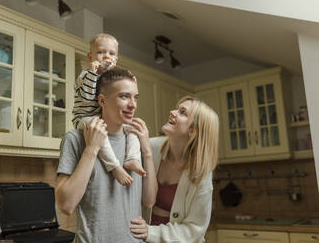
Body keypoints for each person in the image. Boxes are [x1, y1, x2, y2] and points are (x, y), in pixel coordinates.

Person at [56, 69, 157, 243]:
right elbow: (66, 205)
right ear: (102, 100)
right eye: (124, 96)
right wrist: (92, 149)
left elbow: (149, 202)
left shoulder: (135, 142)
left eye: (135, 97)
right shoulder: (75, 139)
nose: (133, 105)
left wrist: (147, 152)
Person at [130, 96, 219, 243]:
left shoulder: (202, 173)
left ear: (193, 130)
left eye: (182, 112)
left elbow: (194, 229)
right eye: (177, 109)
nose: (172, 112)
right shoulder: (149, 147)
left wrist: (150, 232)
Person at [72, 33, 145, 186]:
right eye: (100, 52)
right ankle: (114, 166)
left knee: (133, 127)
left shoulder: (110, 79)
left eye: (111, 53)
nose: (106, 56)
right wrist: (94, 73)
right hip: (85, 118)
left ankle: (133, 158)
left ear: (116, 60)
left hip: (101, 118)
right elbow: (86, 97)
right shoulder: (85, 75)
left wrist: (129, 80)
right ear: (90, 57)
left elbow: (118, 87)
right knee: (99, 130)